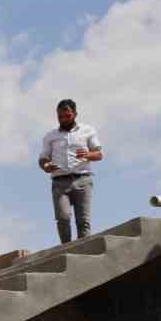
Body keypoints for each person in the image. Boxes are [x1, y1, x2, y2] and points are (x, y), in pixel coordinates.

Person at [37, 99, 104, 243]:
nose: (64, 119)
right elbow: (42, 158)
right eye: (60, 117)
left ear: (75, 114)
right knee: (63, 218)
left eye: (67, 116)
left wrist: (88, 154)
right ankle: (65, 248)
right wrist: (46, 166)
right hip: (60, 182)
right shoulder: (50, 136)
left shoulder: (88, 130)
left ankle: (84, 250)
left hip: (83, 180)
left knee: (83, 221)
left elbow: (99, 154)